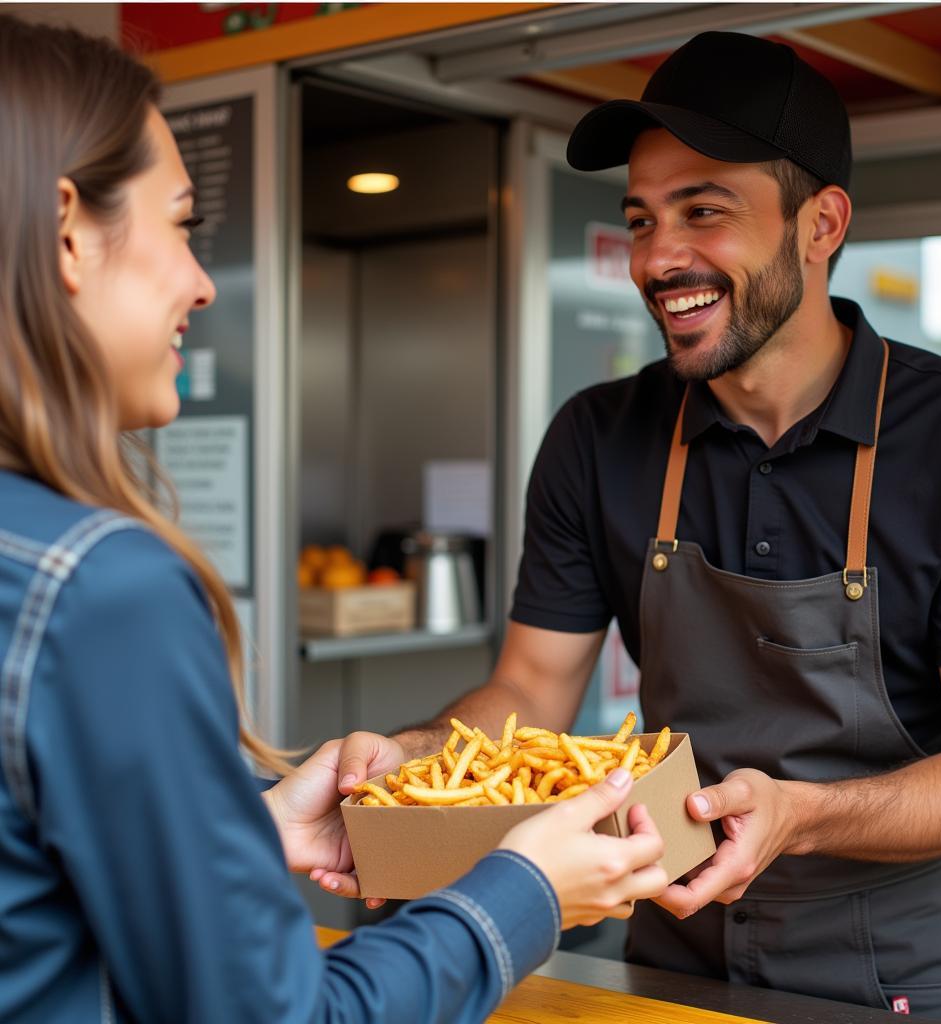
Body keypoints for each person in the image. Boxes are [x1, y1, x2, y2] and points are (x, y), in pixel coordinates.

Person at [324, 30, 941, 1023]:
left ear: (821, 223)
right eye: (642, 219)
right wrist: (418, 759)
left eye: (705, 212)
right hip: (664, 954)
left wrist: (803, 817)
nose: (658, 258)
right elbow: (529, 686)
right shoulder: (598, 435)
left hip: (894, 979)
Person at [0, 15, 671, 1024]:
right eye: (182, 223)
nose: (200, 281)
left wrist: (249, 831)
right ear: (65, 232)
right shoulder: (102, 590)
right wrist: (525, 891)